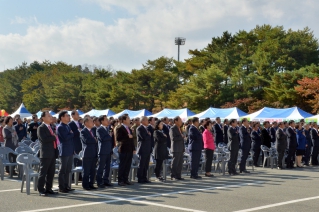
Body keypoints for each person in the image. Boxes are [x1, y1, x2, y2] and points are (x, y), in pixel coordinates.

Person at [37, 111, 58, 196]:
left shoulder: (51, 127)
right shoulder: (41, 128)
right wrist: (54, 137)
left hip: (52, 152)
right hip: (45, 153)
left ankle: (49, 188)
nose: (51, 117)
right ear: (43, 118)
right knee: (43, 172)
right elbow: (44, 139)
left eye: (51, 116)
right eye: (48, 116)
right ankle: (41, 189)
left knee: (51, 172)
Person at [57, 111, 75, 193]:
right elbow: (65, 137)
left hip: (70, 150)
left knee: (68, 169)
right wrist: (71, 134)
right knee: (63, 170)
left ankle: (67, 185)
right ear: (62, 117)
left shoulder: (67, 126)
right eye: (67, 116)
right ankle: (61, 187)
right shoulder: (60, 127)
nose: (69, 117)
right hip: (64, 150)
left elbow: (70, 136)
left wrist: (71, 134)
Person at [116, 114, 135, 186]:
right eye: (128, 118)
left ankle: (125, 179)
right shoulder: (120, 128)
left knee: (128, 165)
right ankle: (120, 180)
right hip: (123, 148)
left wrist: (133, 148)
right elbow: (118, 138)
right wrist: (127, 136)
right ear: (124, 120)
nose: (129, 119)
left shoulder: (129, 128)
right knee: (123, 165)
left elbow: (131, 139)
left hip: (129, 149)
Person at [96, 115, 114, 188]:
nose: (108, 121)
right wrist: (109, 136)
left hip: (108, 150)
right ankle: (99, 182)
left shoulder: (108, 128)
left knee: (107, 167)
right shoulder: (99, 129)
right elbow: (102, 138)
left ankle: (106, 180)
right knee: (101, 167)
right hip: (103, 151)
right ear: (102, 121)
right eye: (106, 120)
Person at [80, 117, 98, 190]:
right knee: (86, 170)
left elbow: (95, 140)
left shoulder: (92, 130)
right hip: (87, 153)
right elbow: (87, 140)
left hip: (93, 152)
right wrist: (94, 140)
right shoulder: (83, 131)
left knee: (92, 170)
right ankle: (85, 185)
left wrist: (94, 140)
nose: (92, 122)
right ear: (86, 123)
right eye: (91, 121)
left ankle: (91, 184)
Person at [136, 116, 152, 183]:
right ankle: (140, 178)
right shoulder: (139, 128)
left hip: (147, 148)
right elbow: (143, 137)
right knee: (142, 164)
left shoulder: (146, 128)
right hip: (142, 148)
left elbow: (149, 136)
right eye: (146, 120)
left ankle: (145, 177)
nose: (147, 121)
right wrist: (148, 135)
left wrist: (148, 135)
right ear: (142, 121)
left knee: (146, 164)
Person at [169, 116, 185, 180]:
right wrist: (181, 137)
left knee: (180, 163)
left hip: (180, 148)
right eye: (180, 120)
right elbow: (173, 138)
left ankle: (178, 175)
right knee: (175, 162)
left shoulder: (179, 128)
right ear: (176, 121)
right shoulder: (172, 128)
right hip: (176, 148)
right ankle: (173, 175)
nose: (181, 121)